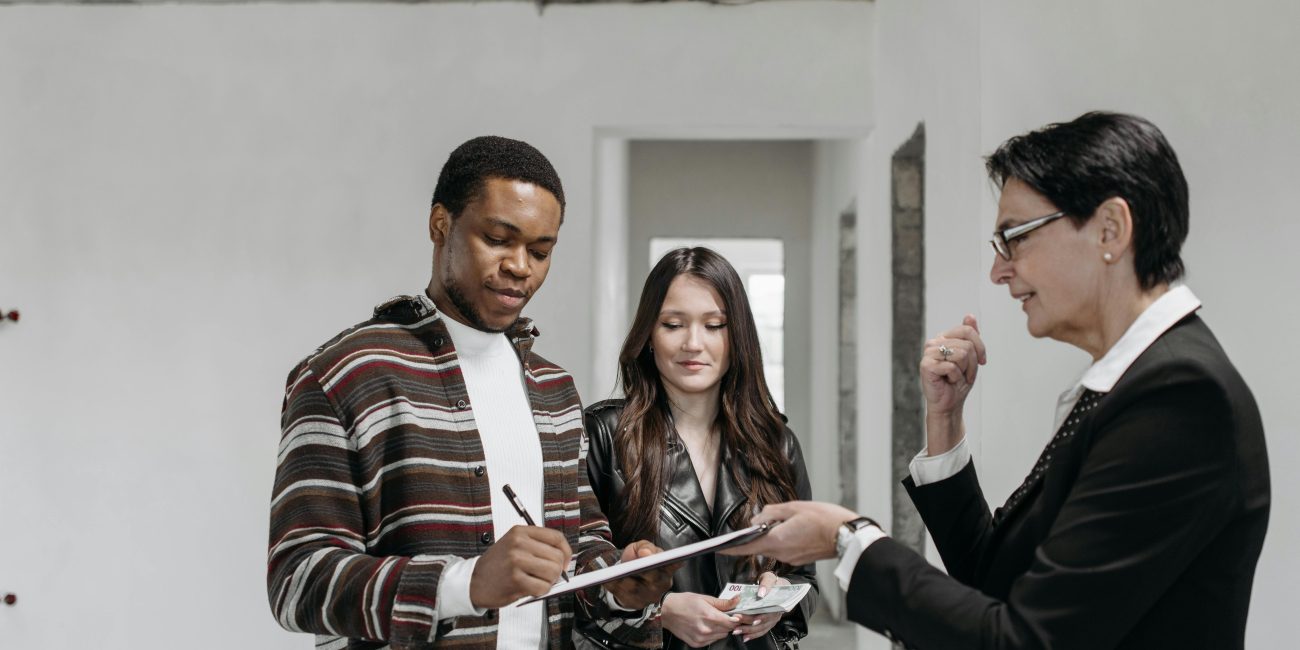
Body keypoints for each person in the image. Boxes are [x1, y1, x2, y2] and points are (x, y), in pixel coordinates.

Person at [725, 112, 1270, 649]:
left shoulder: (1179, 396)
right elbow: (995, 581)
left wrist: (847, 538)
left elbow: (1026, 639)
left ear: (1111, 229)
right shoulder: (1138, 380)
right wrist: (945, 419)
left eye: (1015, 237)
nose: (998, 271)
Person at [268, 135, 673, 650]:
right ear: (440, 224)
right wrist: (466, 584)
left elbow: (581, 548)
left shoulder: (554, 389)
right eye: (499, 239)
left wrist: (618, 587)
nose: (521, 266)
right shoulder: (344, 375)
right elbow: (297, 581)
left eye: (540, 251)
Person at [582, 247, 817, 650]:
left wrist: (779, 599)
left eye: (714, 325)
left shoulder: (777, 444)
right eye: (673, 324)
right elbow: (575, 577)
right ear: (649, 335)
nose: (693, 343)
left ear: (737, 336)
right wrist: (659, 611)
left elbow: (805, 578)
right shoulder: (605, 434)